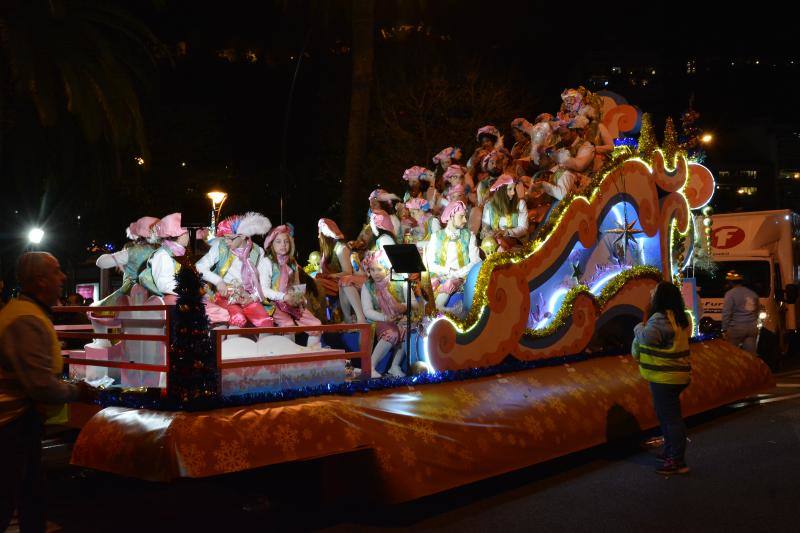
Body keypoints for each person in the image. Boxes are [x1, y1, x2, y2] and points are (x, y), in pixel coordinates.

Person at [0, 252, 97, 532]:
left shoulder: (25, 312)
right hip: (10, 424)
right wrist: (77, 391)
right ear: (41, 281)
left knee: (30, 494)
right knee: (12, 495)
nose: (63, 277)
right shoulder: (26, 319)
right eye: (56, 271)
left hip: (18, 422)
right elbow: (40, 384)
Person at [632, 281, 692, 475]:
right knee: (668, 417)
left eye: (654, 293)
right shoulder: (680, 317)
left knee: (671, 419)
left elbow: (648, 338)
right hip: (677, 374)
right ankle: (670, 452)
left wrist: (638, 326)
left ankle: (677, 460)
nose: (652, 295)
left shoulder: (660, 318)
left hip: (664, 376)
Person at [195, 212, 273, 328]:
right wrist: (218, 281)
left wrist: (252, 297)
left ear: (242, 236)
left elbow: (263, 282)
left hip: (248, 296)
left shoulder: (257, 251)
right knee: (238, 318)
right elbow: (199, 266)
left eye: (229, 238)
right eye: (224, 238)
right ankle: (228, 346)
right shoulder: (220, 246)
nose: (226, 242)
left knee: (265, 322)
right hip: (226, 295)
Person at [263, 225, 322, 348]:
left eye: (286, 242)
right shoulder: (267, 262)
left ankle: (310, 359)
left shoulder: (293, 263)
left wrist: (299, 298)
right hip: (273, 303)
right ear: (271, 244)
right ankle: (287, 360)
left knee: (316, 325)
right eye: (278, 242)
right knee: (288, 325)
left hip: (291, 303)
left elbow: (296, 285)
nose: (283, 245)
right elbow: (264, 289)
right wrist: (283, 297)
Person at [361, 251, 417, 378]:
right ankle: (370, 366)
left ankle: (394, 366)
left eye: (379, 269)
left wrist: (403, 306)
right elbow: (367, 311)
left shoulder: (399, 280)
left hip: (400, 317)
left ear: (387, 268)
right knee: (392, 332)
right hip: (379, 320)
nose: (375, 273)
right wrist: (385, 317)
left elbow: (414, 303)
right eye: (372, 269)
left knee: (407, 328)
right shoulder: (368, 286)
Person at [425, 201, 481, 312]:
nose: (465, 220)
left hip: (462, 277)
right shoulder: (436, 237)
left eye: (465, 216)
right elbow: (430, 263)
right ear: (451, 216)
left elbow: (476, 261)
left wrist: (457, 273)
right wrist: (448, 271)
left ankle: (450, 312)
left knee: (450, 283)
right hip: (441, 275)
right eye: (461, 216)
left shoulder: (469, 236)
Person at [315, 218, 367, 323]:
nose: (319, 236)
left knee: (317, 284)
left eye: (320, 233)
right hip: (332, 280)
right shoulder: (327, 251)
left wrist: (331, 276)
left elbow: (347, 272)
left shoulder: (341, 248)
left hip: (339, 280)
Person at [140, 213, 190, 304]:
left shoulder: (179, 252)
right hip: (169, 303)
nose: (189, 236)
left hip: (178, 299)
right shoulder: (163, 254)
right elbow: (164, 284)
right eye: (187, 232)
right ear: (180, 235)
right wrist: (190, 289)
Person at [480, 173, 529, 250]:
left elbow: (523, 228)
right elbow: (485, 228)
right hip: (496, 244)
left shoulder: (520, 204)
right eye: (510, 189)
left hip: (515, 242)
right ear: (501, 191)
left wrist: (507, 232)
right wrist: (490, 233)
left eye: (514, 189)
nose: (513, 193)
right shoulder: (489, 206)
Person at [721, 270, 759, 355]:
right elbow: (757, 310)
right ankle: (750, 367)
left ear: (731, 282)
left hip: (737, 328)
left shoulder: (730, 294)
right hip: (752, 327)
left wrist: (724, 328)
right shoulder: (752, 294)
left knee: (731, 353)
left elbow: (727, 313)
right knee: (750, 354)